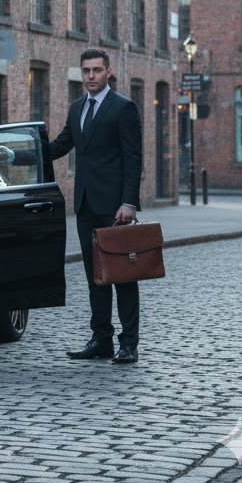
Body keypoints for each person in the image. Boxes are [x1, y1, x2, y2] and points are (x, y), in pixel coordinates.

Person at [46, 47, 142, 365]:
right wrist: (23, 152)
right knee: (95, 277)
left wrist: (129, 202)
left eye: (96, 70)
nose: (90, 76)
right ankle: (101, 338)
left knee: (123, 277)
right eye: (86, 71)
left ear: (108, 72)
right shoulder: (77, 108)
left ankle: (128, 343)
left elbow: (132, 158)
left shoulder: (123, 108)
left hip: (115, 208)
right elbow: (61, 145)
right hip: (85, 205)